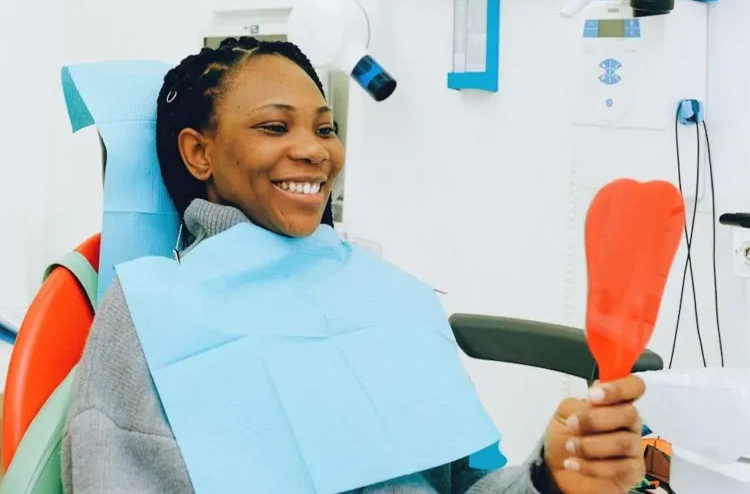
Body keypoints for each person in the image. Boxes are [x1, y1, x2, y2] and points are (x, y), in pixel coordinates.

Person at [61, 37, 646, 494]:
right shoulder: (151, 309)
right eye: (274, 126)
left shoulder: (390, 297)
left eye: (325, 127)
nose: (316, 149)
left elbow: (468, 486)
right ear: (199, 152)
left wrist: (550, 476)